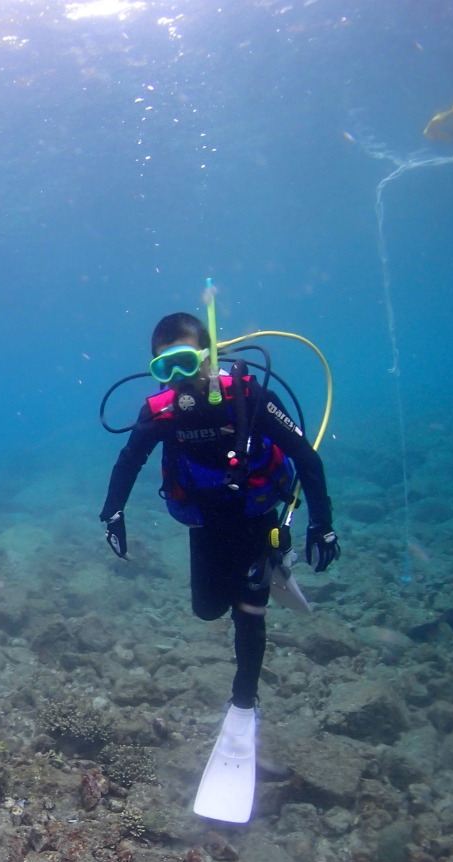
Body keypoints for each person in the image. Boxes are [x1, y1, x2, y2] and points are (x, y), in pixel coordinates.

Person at [98, 311, 340, 821]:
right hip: (207, 524)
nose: (180, 378)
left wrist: (323, 523)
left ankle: (243, 704)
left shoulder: (249, 397)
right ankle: (266, 572)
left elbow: (306, 457)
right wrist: (112, 513)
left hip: (256, 516)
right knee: (208, 610)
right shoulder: (162, 412)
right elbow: (129, 460)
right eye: (166, 368)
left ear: (208, 356)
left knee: (248, 614)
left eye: (187, 362)